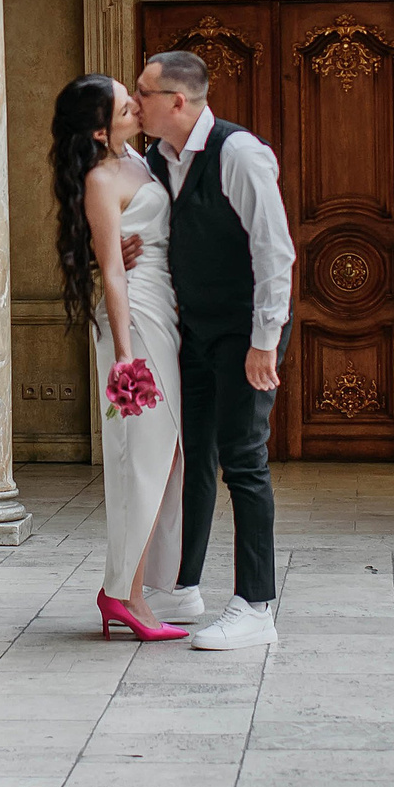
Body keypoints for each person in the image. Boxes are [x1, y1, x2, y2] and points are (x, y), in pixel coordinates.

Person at [134, 48, 296, 650]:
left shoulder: (238, 153)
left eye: (144, 93)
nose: (135, 101)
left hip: (244, 332)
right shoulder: (157, 158)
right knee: (193, 453)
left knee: (244, 460)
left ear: (177, 101)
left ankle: (256, 606)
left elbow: (274, 253)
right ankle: (182, 586)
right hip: (191, 329)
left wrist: (264, 343)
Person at [49, 74, 189, 643]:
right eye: (122, 100)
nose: (134, 100)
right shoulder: (101, 178)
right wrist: (125, 359)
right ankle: (123, 594)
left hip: (165, 307)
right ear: (102, 128)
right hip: (135, 322)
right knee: (143, 455)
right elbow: (109, 270)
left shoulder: (141, 156)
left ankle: (132, 586)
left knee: (168, 451)